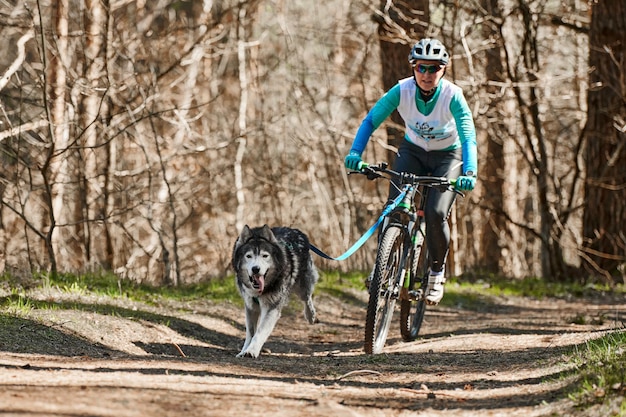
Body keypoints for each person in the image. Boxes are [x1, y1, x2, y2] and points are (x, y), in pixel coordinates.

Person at [344, 38, 477, 305]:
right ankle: (381, 268)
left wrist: (470, 171)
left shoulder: (453, 95)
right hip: (413, 152)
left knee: (436, 212)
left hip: (448, 156)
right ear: (413, 68)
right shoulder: (401, 91)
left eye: (434, 68)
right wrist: (355, 153)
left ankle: (436, 272)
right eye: (421, 68)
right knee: (393, 206)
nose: (427, 74)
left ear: (443, 70)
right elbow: (371, 120)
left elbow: (467, 135)